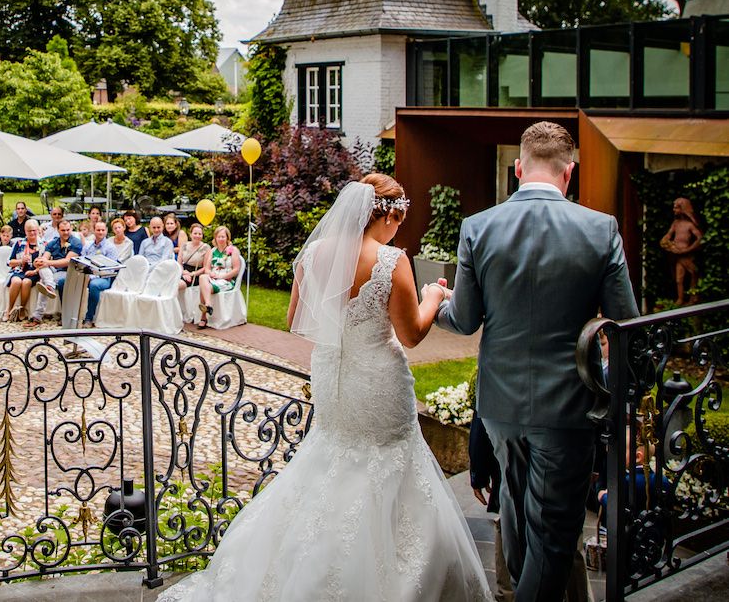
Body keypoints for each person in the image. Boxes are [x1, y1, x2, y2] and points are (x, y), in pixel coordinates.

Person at [158, 175, 490, 601]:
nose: (397, 230)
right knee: (386, 461)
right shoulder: (391, 261)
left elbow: (296, 315)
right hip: (377, 379)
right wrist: (432, 297)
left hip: (332, 376)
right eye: (398, 221)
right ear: (387, 213)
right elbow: (410, 334)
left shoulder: (314, 254)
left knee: (331, 455)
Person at [436, 121, 638, 602]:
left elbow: (464, 320)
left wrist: (434, 300)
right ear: (569, 173)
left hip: (500, 408)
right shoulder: (600, 229)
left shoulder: (477, 227)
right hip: (568, 407)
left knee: (524, 523)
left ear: (518, 168)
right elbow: (625, 327)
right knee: (551, 537)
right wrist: (614, 387)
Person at [24, 219, 82, 328]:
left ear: (71, 229)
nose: (65, 232)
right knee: (43, 271)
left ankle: (37, 316)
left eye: (68, 230)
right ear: (58, 230)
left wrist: (47, 262)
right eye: (63, 230)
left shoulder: (76, 243)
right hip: (52, 272)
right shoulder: (53, 243)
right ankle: (49, 286)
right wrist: (39, 262)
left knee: (44, 282)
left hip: (68, 272)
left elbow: (68, 262)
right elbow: (44, 258)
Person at [195, 226, 241, 328]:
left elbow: (236, 269)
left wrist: (223, 276)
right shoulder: (212, 251)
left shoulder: (233, 250)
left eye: (223, 237)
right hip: (213, 279)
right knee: (203, 277)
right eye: (218, 237)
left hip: (226, 280)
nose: (221, 239)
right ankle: (208, 305)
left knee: (204, 287)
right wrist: (210, 273)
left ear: (227, 238)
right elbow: (206, 268)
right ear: (215, 238)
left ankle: (204, 317)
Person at [660, 197, 702, 304]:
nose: (674, 210)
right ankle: (680, 299)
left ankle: (693, 297)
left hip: (686, 255)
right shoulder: (676, 223)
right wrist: (667, 244)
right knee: (679, 279)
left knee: (693, 273)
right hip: (678, 255)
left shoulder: (689, 225)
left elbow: (699, 238)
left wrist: (688, 249)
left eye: (676, 208)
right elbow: (668, 236)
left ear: (682, 209)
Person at [80, 220, 119, 328]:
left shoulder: (110, 248)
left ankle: (89, 318)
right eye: (98, 230)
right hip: (86, 275)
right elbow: (82, 261)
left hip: (104, 278)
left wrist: (92, 277)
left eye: (103, 230)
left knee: (94, 285)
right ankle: (68, 315)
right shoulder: (88, 246)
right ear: (94, 231)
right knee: (63, 282)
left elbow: (110, 270)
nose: (100, 232)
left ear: (106, 231)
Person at [5, 220, 44, 322]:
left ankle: (22, 309)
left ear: (38, 230)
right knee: (16, 281)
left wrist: (35, 271)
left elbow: (46, 262)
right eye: (29, 231)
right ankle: (9, 309)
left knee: (26, 282)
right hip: (19, 270)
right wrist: (20, 261)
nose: (32, 233)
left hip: (35, 272)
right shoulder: (19, 243)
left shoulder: (43, 244)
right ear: (25, 231)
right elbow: (9, 262)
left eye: (34, 230)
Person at [178, 222, 210, 292]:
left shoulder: (206, 248)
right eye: (195, 233)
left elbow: (205, 267)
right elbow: (179, 263)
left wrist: (192, 274)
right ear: (190, 234)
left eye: (199, 234)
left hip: (196, 274)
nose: (197, 236)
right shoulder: (184, 245)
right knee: (170, 281)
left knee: (177, 285)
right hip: (183, 271)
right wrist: (183, 272)